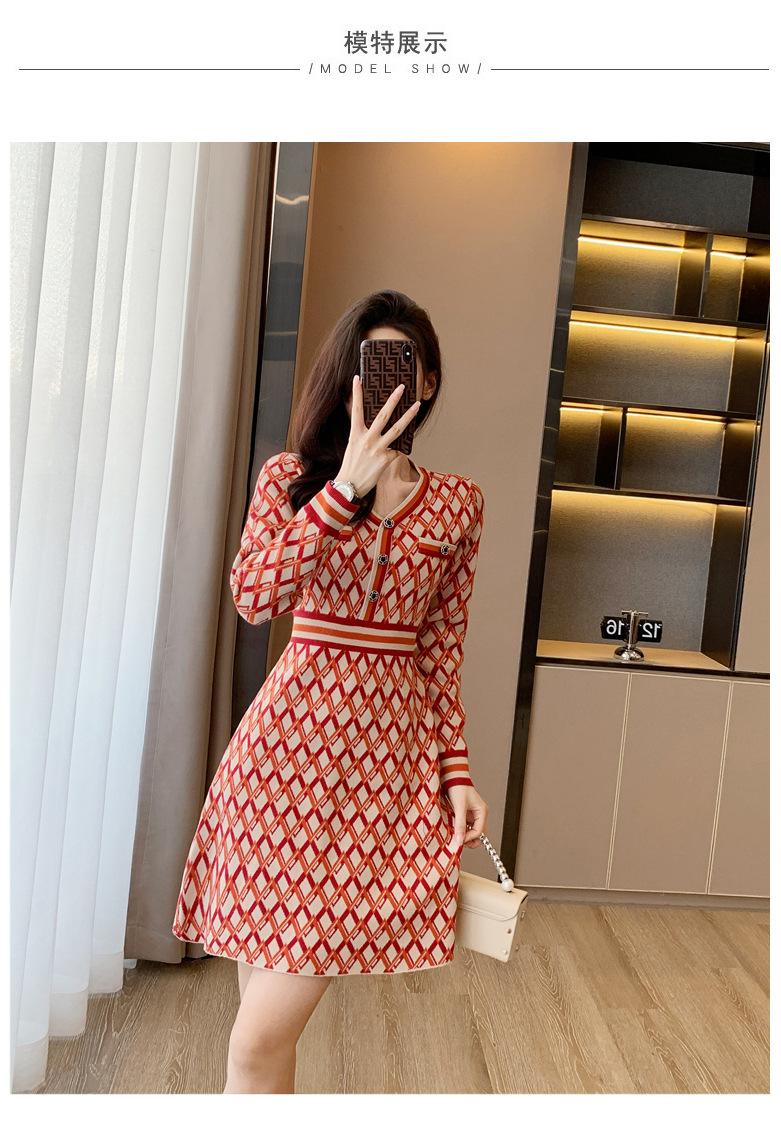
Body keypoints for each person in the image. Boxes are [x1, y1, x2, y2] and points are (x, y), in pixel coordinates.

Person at [172, 290, 488, 1093]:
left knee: (257, 1042)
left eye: (402, 366)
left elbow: (440, 650)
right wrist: (343, 491)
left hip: (380, 781)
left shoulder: (458, 504)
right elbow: (255, 597)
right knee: (262, 1042)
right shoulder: (289, 480)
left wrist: (455, 771)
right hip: (278, 770)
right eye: (368, 365)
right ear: (344, 380)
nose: (385, 382)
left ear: (427, 381)